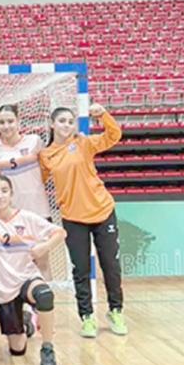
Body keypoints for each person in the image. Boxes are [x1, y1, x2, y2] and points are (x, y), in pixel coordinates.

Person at [39, 103, 127, 338]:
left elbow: (114, 135)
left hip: (102, 211)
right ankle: (87, 316)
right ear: (52, 124)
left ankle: (116, 311)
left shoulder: (83, 143)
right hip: (72, 218)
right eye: (62, 121)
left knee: (110, 266)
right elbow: (37, 182)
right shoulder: (46, 155)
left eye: (70, 121)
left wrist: (103, 115)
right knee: (81, 270)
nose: (67, 125)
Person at [0, 175, 66, 365]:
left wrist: (44, 247)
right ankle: (27, 323)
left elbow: (60, 233)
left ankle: (47, 349)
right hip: (4, 289)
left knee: (44, 295)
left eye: (4, 191)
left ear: (11, 194)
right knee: (17, 349)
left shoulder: (27, 218)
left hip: (27, 279)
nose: (0, 196)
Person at [0, 104, 53, 282]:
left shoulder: (34, 141)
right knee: (17, 263)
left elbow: (48, 163)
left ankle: (44, 298)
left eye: (10, 121)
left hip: (38, 209)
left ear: (18, 121)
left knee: (41, 262)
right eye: (2, 122)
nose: (6, 126)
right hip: (12, 213)